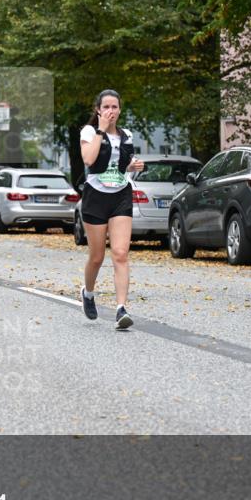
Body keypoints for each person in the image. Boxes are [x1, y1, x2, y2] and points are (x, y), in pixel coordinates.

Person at [78, 89, 145, 330]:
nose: (110, 111)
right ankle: (88, 293)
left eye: (114, 107)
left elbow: (125, 166)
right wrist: (101, 130)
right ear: (98, 110)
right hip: (96, 196)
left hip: (121, 196)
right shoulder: (89, 132)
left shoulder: (127, 135)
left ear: (120, 109)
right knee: (97, 257)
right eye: (106, 107)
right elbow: (89, 159)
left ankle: (121, 309)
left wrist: (134, 166)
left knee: (120, 253)